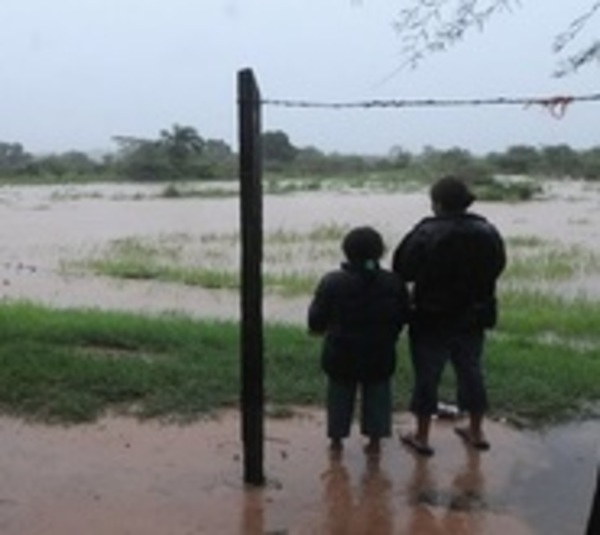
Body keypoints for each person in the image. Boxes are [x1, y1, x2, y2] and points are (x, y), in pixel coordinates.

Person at [392, 176, 506, 456]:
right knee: (471, 370)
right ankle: (476, 430)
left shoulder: (425, 231)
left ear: (438, 203)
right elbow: (497, 266)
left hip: (431, 316)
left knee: (427, 376)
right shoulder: (487, 230)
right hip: (473, 315)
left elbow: (402, 269)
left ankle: (421, 436)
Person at [308, 226, 410, 455]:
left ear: (346, 252)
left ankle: (336, 441)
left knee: (339, 395)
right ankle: (374, 442)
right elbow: (404, 316)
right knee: (378, 394)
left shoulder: (332, 282)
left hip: (340, 352)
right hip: (380, 352)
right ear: (381, 252)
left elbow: (316, 320)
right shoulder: (393, 282)